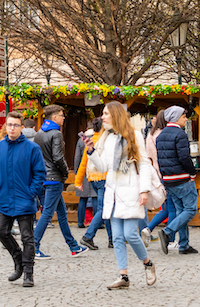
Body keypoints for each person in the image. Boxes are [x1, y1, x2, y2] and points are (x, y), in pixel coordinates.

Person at [83, 102, 156, 289]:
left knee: (131, 234)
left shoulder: (134, 135)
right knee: (116, 237)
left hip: (131, 190)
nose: (103, 117)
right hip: (113, 192)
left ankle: (148, 263)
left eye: (106, 113)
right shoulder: (108, 138)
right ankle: (123, 277)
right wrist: (91, 151)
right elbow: (104, 167)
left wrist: (144, 190)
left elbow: (144, 164)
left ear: (116, 115)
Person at [0, 111, 46, 288]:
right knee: (0, 231)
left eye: (15, 125)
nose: (12, 128)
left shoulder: (32, 149)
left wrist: (32, 192)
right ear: (5, 126)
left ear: (22, 127)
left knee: (27, 237)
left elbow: (40, 173)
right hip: (4, 198)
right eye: (9, 125)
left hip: (25, 199)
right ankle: (18, 260)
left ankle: (28, 273)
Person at [32, 104, 88, 259]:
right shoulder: (56, 133)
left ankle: (74, 246)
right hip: (53, 179)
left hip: (43, 177)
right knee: (48, 213)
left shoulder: (40, 133)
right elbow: (58, 157)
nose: (64, 118)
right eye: (62, 115)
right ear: (55, 117)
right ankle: (33, 246)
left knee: (61, 213)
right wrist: (64, 172)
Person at [156, 105, 199, 255]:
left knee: (181, 211)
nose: (186, 119)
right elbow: (184, 157)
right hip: (181, 178)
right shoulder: (180, 134)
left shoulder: (160, 135)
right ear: (176, 117)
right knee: (191, 209)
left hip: (168, 178)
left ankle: (184, 244)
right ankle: (168, 231)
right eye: (184, 116)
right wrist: (192, 172)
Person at [76, 117, 113, 249]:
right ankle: (88, 236)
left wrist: (78, 180)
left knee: (107, 208)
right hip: (104, 177)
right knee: (104, 209)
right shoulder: (106, 140)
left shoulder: (91, 139)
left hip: (92, 178)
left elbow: (83, 162)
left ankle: (112, 239)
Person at [141, 109, 176, 247]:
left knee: (166, 208)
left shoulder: (151, 135)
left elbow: (149, 158)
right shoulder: (164, 135)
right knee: (172, 209)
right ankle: (170, 239)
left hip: (156, 175)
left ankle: (148, 229)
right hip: (167, 174)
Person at [73, 123, 97, 228]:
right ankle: (98, 223)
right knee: (95, 197)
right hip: (95, 170)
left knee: (83, 198)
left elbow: (77, 157)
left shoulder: (81, 140)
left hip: (83, 171)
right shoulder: (98, 138)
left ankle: (80, 222)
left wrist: (76, 172)